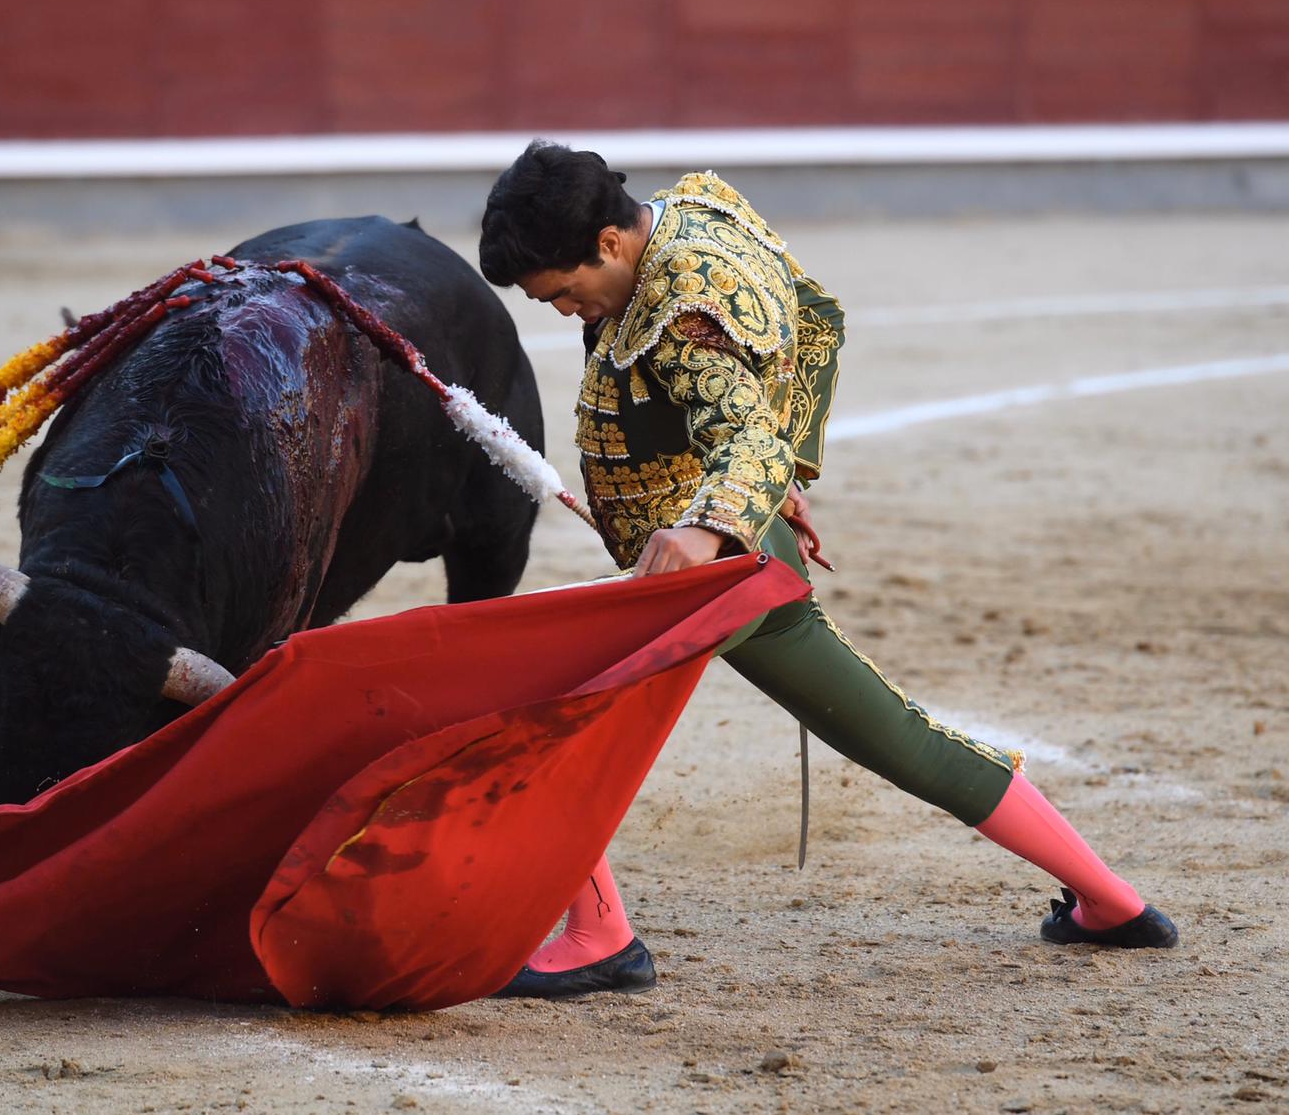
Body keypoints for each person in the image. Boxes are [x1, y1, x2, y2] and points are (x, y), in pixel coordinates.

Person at [478, 141, 1178, 999]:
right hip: (737, 557)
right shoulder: (693, 215)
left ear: (611, 246)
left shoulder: (686, 316)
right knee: (893, 734)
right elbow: (809, 323)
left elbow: (745, 435)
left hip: (704, 581)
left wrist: (716, 523)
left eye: (560, 291)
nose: (559, 311)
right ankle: (1112, 904)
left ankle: (598, 934)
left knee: (552, 717)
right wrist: (780, 491)